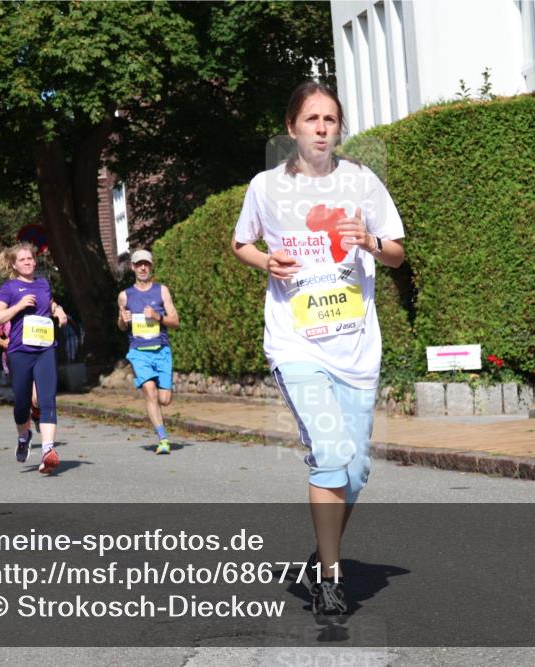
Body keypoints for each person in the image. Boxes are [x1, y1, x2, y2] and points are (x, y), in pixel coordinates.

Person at [231, 81, 405, 620]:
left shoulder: (362, 182)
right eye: (313, 119)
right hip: (295, 343)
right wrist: (266, 262)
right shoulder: (265, 187)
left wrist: (370, 242)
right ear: (292, 128)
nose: (323, 128)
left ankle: (320, 558)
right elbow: (242, 243)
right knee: (331, 456)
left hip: (356, 348)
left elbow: (397, 253)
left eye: (331, 119)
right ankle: (330, 579)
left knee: (355, 473)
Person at [0, 243, 67, 474]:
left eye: (30, 259)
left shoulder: (43, 283)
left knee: (46, 399)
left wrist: (59, 311)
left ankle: (48, 451)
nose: (28, 262)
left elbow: (49, 303)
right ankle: (24, 436)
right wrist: (18, 307)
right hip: (19, 352)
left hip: (45, 349)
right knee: (22, 403)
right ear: (14, 264)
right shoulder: (9, 288)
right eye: (22, 260)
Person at [118, 249, 180, 455]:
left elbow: (175, 321)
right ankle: (163, 438)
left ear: (151, 266)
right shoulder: (125, 296)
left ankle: (161, 425)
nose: (142, 268)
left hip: (161, 349)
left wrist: (157, 316)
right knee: (149, 392)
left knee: (165, 399)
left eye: (146, 264)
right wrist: (122, 320)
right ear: (132, 267)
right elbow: (121, 325)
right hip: (138, 351)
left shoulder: (162, 291)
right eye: (138, 264)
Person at [0, 319, 40, 431]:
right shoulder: (6, 314)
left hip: (33, 357)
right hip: (13, 360)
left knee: (35, 399)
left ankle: (36, 415)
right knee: (22, 399)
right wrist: (3, 342)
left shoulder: (32, 311)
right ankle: (25, 434)